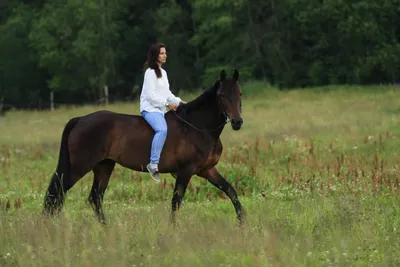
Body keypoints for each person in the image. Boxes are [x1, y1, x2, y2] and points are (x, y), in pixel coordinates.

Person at [140, 42, 186, 182]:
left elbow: (167, 93)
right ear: (155, 55)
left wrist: (179, 102)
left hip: (160, 110)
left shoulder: (163, 73)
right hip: (149, 109)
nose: (165, 55)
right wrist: (167, 104)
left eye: (165, 53)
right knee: (162, 130)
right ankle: (153, 164)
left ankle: (171, 164)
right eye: (162, 53)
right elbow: (150, 96)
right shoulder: (150, 73)